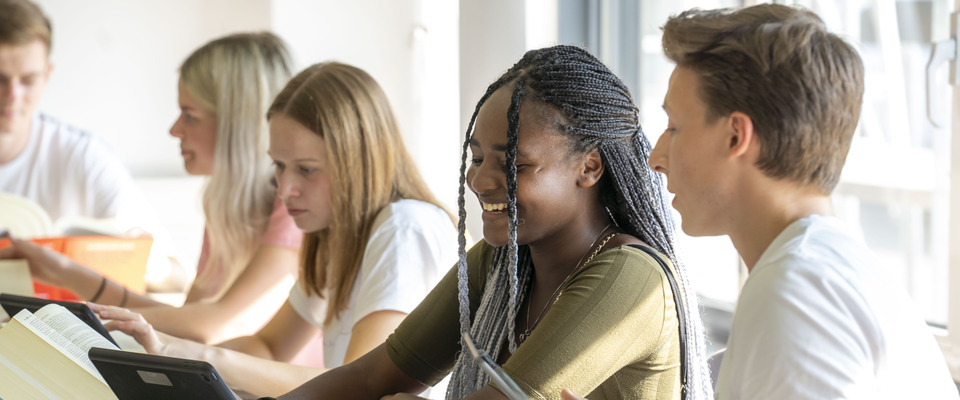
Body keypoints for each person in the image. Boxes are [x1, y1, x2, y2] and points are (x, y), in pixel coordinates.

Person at [216, 45, 712, 400]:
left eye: (514, 165)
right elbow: (376, 377)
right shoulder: (504, 259)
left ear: (589, 167)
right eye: (476, 158)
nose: (480, 181)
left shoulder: (631, 276)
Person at [641, 4, 958, 399]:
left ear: (736, 136)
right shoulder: (825, 269)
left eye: (674, 127)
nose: (655, 157)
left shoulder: (797, 293)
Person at [92, 61, 459, 398]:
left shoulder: (404, 228)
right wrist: (158, 353)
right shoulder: (336, 236)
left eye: (307, 169)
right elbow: (268, 345)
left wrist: (180, 351)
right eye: (279, 167)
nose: (284, 190)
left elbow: (358, 384)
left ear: (357, 162)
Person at [0, 32, 303, 345]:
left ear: (236, 124)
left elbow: (214, 326)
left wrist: (62, 317)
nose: (175, 130)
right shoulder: (225, 206)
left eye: (190, 116)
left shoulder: (293, 207)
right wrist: (63, 271)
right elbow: (189, 318)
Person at [0, 0, 188, 292]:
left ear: (48, 75)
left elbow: (176, 277)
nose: (12, 95)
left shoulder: (83, 157)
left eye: (28, 80)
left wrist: (121, 260)